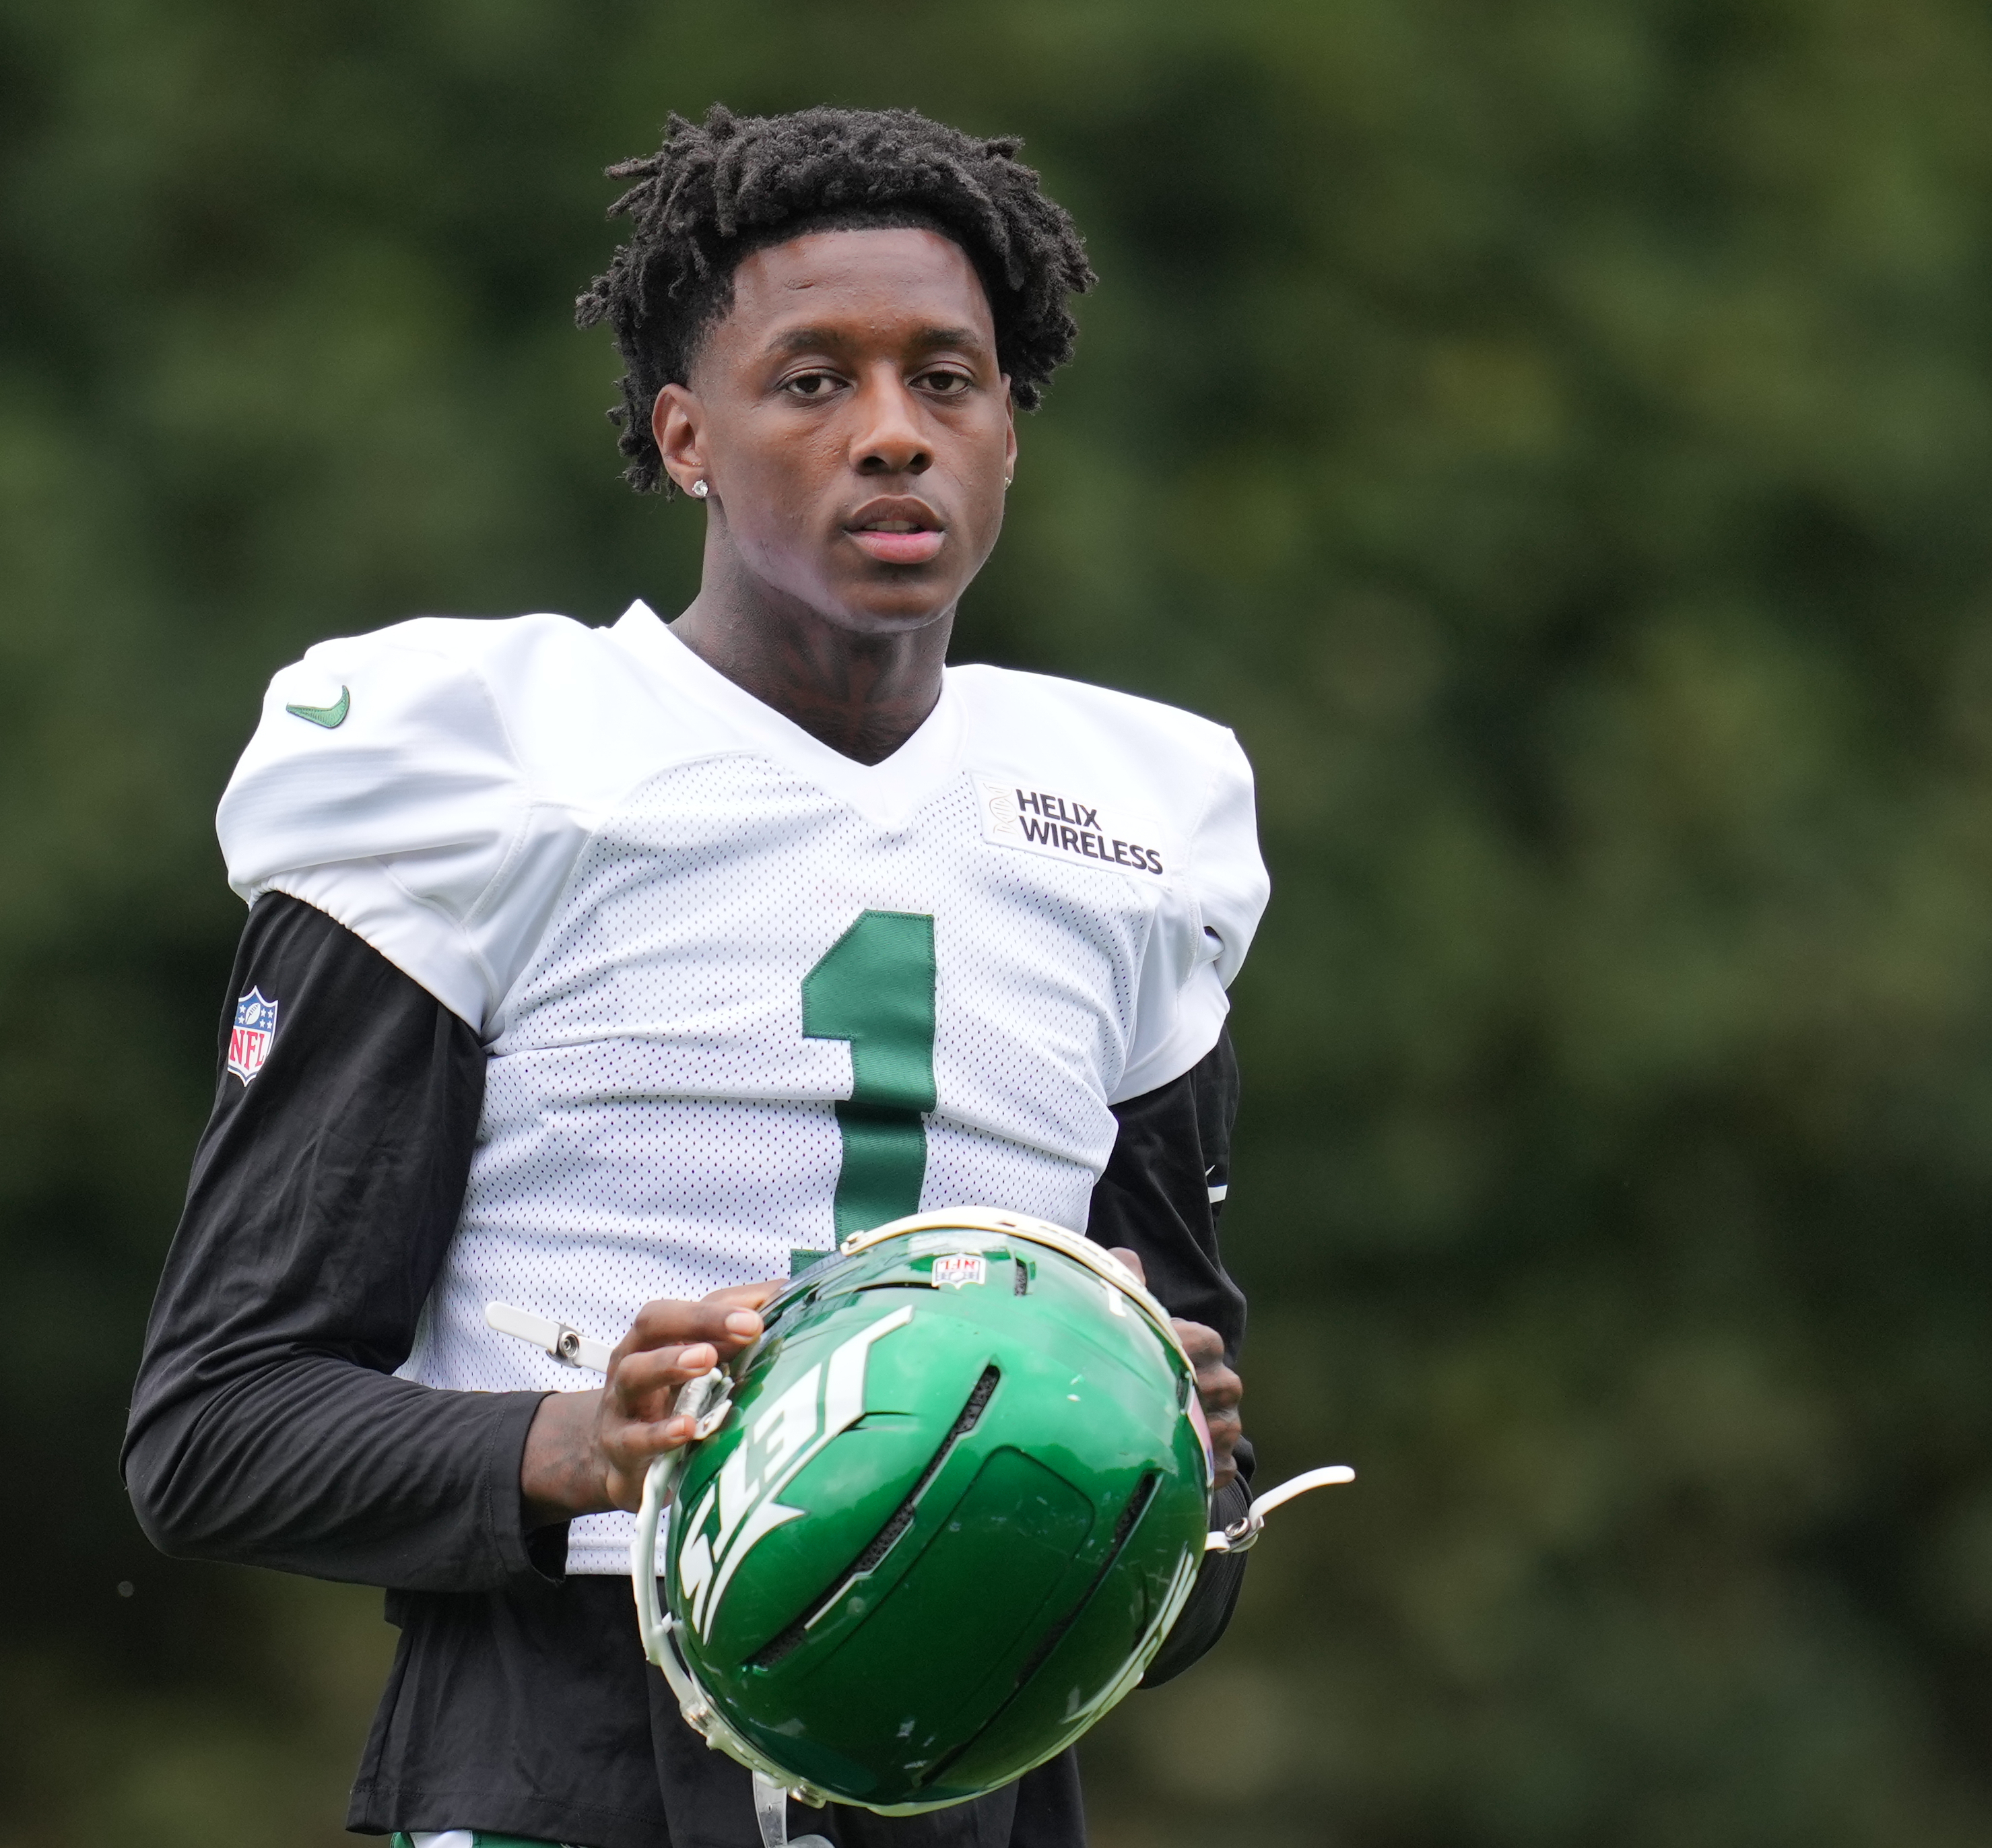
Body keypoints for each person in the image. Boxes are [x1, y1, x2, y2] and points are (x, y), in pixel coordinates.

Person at [124, 104, 1269, 1848]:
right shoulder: (485, 776)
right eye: (812, 381)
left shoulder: (1136, 829)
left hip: (971, 1780)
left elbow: (1192, 1578)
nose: (891, 434)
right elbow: (213, 1432)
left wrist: (1159, 1482)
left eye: (946, 381)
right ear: (685, 438)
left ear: (1010, 434)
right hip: (554, 1757)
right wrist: (578, 1446)